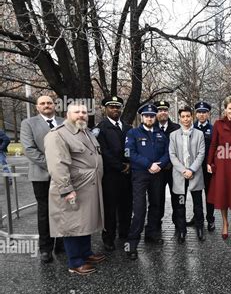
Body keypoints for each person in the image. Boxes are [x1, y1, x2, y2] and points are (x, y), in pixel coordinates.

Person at [44, 102, 105, 275]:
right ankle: (75, 262)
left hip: (88, 187)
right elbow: (58, 165)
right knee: (71, 224)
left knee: (84, 221)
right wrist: (66, 189)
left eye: (84, 112)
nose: (81, 115)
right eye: (77, 112)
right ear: (67, 114)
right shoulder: (58, 135)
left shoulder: (86, 131)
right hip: (73, 187)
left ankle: (86, 253)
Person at [20, 95, 65, 263]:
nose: (46, 105)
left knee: (63, 209)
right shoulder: (28, 123)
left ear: (55, 105)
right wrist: (53, 166)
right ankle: (45, 248)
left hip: (63, 175)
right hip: (41, 175)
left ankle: (61, 243)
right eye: (42, 103)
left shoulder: (64, 121)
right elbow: (29, 149)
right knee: (45, 212)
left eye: (49, 103)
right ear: (37, 107)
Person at [125, 103, 169, 260]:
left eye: (152, 115)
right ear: (141, 117)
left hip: (157, 174)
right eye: (146, 116)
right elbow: (129, 153)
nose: (149, 118)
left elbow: (167, 153)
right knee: (139, 208)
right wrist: (148, 164)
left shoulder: (160, 134)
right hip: (140, 174)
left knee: (156, 204)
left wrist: (160, 165)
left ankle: (151, 233)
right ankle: (132, 244)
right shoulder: (133, 133)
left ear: (155, 117)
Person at [94, 96, 133, 252]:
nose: (115, 110)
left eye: (117, 107)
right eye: (112, 107)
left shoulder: (128, 127)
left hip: (128, 173)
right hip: (111, 175)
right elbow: (103, 151)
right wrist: (120, 166)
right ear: (106, 109)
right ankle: (108, 238)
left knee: (126, 205)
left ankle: (124, 233)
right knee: (110, 208)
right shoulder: (100, 128)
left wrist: (129, 164)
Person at [207, 96, 231, 240]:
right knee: (223, 194)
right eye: (230, 108)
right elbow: (213, 144)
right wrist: (209, 162)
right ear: (225, 109)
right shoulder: (218, 124)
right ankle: (225, 223)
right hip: (221, 163)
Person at [169, 106, 206, 243]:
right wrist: (183, 170)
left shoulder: (199, 134)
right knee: (180, 204)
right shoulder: (173, 135)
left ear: (192, 117)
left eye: (188, 116)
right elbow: (172, 155)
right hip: (180, 176)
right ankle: (182, 230)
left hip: (195, 174)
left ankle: (200, 228)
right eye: (183, 116)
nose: (185, 119)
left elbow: (201, 154)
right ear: (179, 117)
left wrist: (191, 169)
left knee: (198, 203)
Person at [186, 101, 215, 231]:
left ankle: (210, 219)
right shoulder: (190, 129)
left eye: (204, 112)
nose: (202, 115)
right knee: (196, 194)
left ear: (208, 114)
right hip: (195, 167)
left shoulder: (213, 129)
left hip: (208, 167)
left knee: (210, 194)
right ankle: (197, 217)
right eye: (199, 112)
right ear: (195, 114)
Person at [154, 100, 180, 232]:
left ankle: (177, 223)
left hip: (173, 169)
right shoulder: (151, 127)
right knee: (158, 197)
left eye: (164, 110)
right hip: (157, 170)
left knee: (176, 196)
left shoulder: (176, 128)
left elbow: (179, 149)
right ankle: (157, 222)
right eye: (159, 110)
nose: (162, 112)